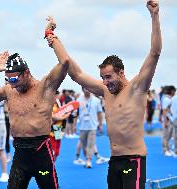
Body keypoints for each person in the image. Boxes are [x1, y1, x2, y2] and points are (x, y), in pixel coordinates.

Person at [46, 0, 161, 188]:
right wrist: (53, 39)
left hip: (134, 160)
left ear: (121, 73)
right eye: (103, 78)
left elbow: (155, 53)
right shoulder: (106, 91)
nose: (105, 82)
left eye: (108, 77)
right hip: (114, 161)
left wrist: (154, 16)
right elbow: (76, 74)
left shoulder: (137, 88)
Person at [0, 24, 69, 188]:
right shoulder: (9, 90)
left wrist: (50, 35)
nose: (12, 85)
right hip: (20, 156)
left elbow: (65, 61)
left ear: (26, 73)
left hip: (41, 153)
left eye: (15, 79)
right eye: (8, 80)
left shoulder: (45, 87)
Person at [74, 87, 108, 168]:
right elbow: (76, 114)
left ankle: (89, 160)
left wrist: (100, 124)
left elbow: (99, 113)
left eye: (89, 88)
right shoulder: (78, 100)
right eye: (85, 88)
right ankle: (86, 157)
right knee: (84, 145)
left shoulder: (96, 100)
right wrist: (74, 125)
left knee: (91, 144)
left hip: (93, 126)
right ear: (82, 89)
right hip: (82, 126)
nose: (88, 90)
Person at [50, 90, 70, 161]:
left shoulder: (57, 102)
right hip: (52, 129)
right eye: (56, 95)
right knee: (52, 149)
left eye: (57, 95)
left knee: (57, 151)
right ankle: (50, 167)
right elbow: (53, 117)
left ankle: (53, 166)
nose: (57, 97)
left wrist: (65, 113)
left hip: (59, 128)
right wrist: (65, 117)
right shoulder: (49, 104)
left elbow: (61, 112)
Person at [161, 85, 176, 156]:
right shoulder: (166, 99)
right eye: (174, 91)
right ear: (171, 91)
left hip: (171, 119)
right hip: (167, 119)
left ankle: (168, 149)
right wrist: (166, 122)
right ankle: (165, 150)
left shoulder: (170, 98)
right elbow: (164, 110)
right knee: (166, 136)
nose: (175, 92)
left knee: (170, 135)